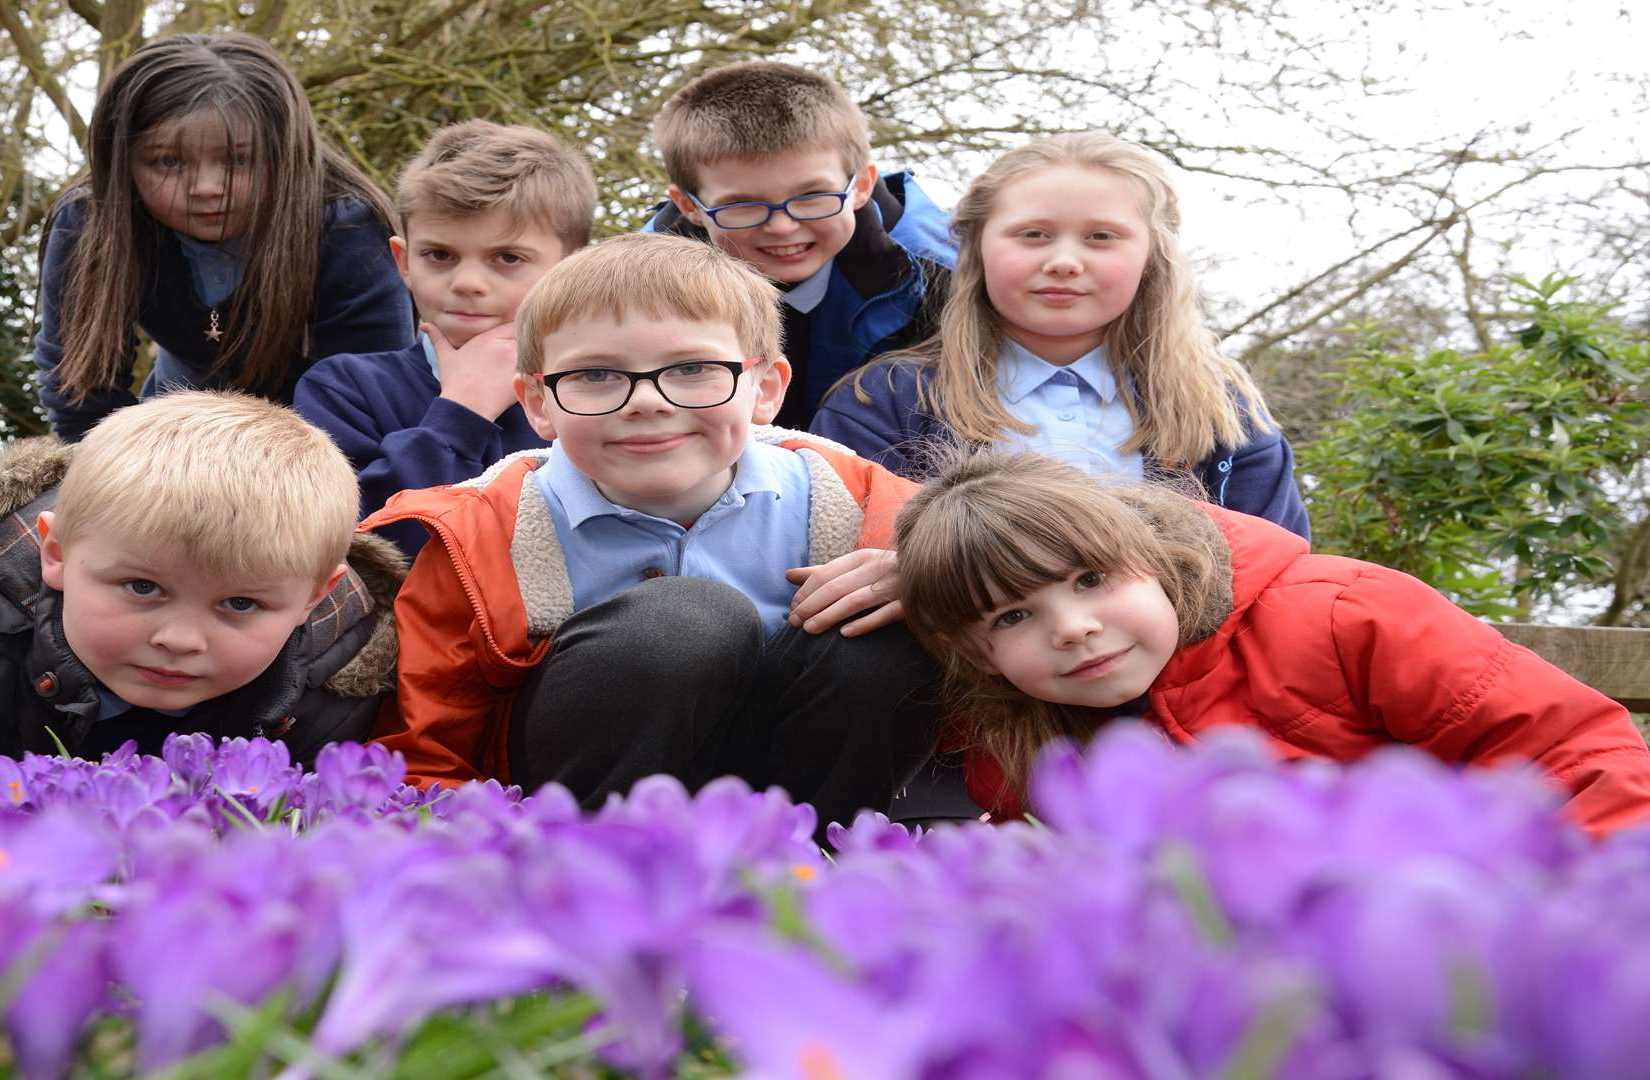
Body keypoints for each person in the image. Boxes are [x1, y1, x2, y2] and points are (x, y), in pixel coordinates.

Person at [365, 234, 942, 834]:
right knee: (682, 622)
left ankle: (812, 870)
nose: (645, 402)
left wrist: (931, 579)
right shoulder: (483, 530)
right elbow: (428, 739)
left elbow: (1020, 586)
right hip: (576, 790)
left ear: (766, 388)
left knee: (895, 613)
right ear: (538, 403)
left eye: (693, 369)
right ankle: (597, 872)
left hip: (797, 775)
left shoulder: (857, 500)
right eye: (595, 375)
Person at [891, 452, 1650, 836]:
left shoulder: (1343, 615)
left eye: (1091, 579)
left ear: (1152, 558)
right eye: (1011, 618)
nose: (1072, 627)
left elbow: (1578, 753)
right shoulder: (1021, 739)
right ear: (980, 654)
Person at [0, 392, 407, 769]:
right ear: (56, 553)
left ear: (309, 601)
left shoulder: (327, 684)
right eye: (142, 587)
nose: (179, 639)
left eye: (239, 604)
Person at [813, 133, 1310, 538]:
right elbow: (841, 560)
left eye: (1101, 237)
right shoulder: (882, 403)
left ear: (1151, 258)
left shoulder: (1223, 412)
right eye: (1033, 234)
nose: (1064, 262)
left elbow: (1276, 572)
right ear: (977, 249)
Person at [34, 32, 413, 442]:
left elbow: (371, 396)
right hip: (168, 435)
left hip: (321, 446)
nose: (207, 187)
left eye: (239, 159)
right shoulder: (87, 224)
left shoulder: (350, 228)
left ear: (284, 154)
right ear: (123, 160)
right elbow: (81, 400)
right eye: (168, 161)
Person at [295, 120, 595, 556]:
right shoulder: (342, 389)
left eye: (507, 258)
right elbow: (356, 549)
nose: (468, 282)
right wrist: (461, 414)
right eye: (440, 255)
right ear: (403, 261)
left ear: (571, 266)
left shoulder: (604, 388)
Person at [644, 61, 956, 428]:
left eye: (812, 196)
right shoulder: (636, 291)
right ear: (689, 206)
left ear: (861, 186)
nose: (782, 226)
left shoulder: (942, 278)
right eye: (742, 205)